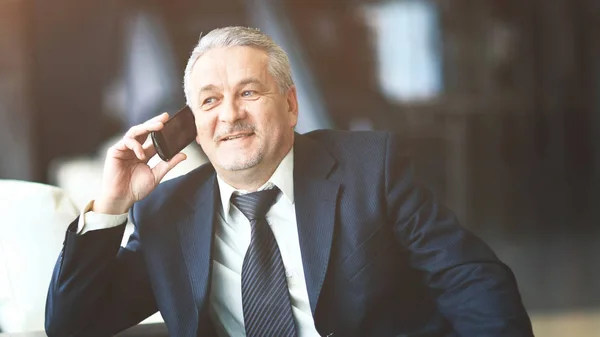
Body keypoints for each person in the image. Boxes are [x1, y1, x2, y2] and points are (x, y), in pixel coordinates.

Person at [45, 26, 533, 337]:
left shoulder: (369, 167)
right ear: (193, 125)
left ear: (292, 105)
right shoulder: (164, 214)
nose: (231, 114)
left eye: (249, 92)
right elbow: (72, 324)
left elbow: (471, 280)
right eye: (210, 101)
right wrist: (111, 204)